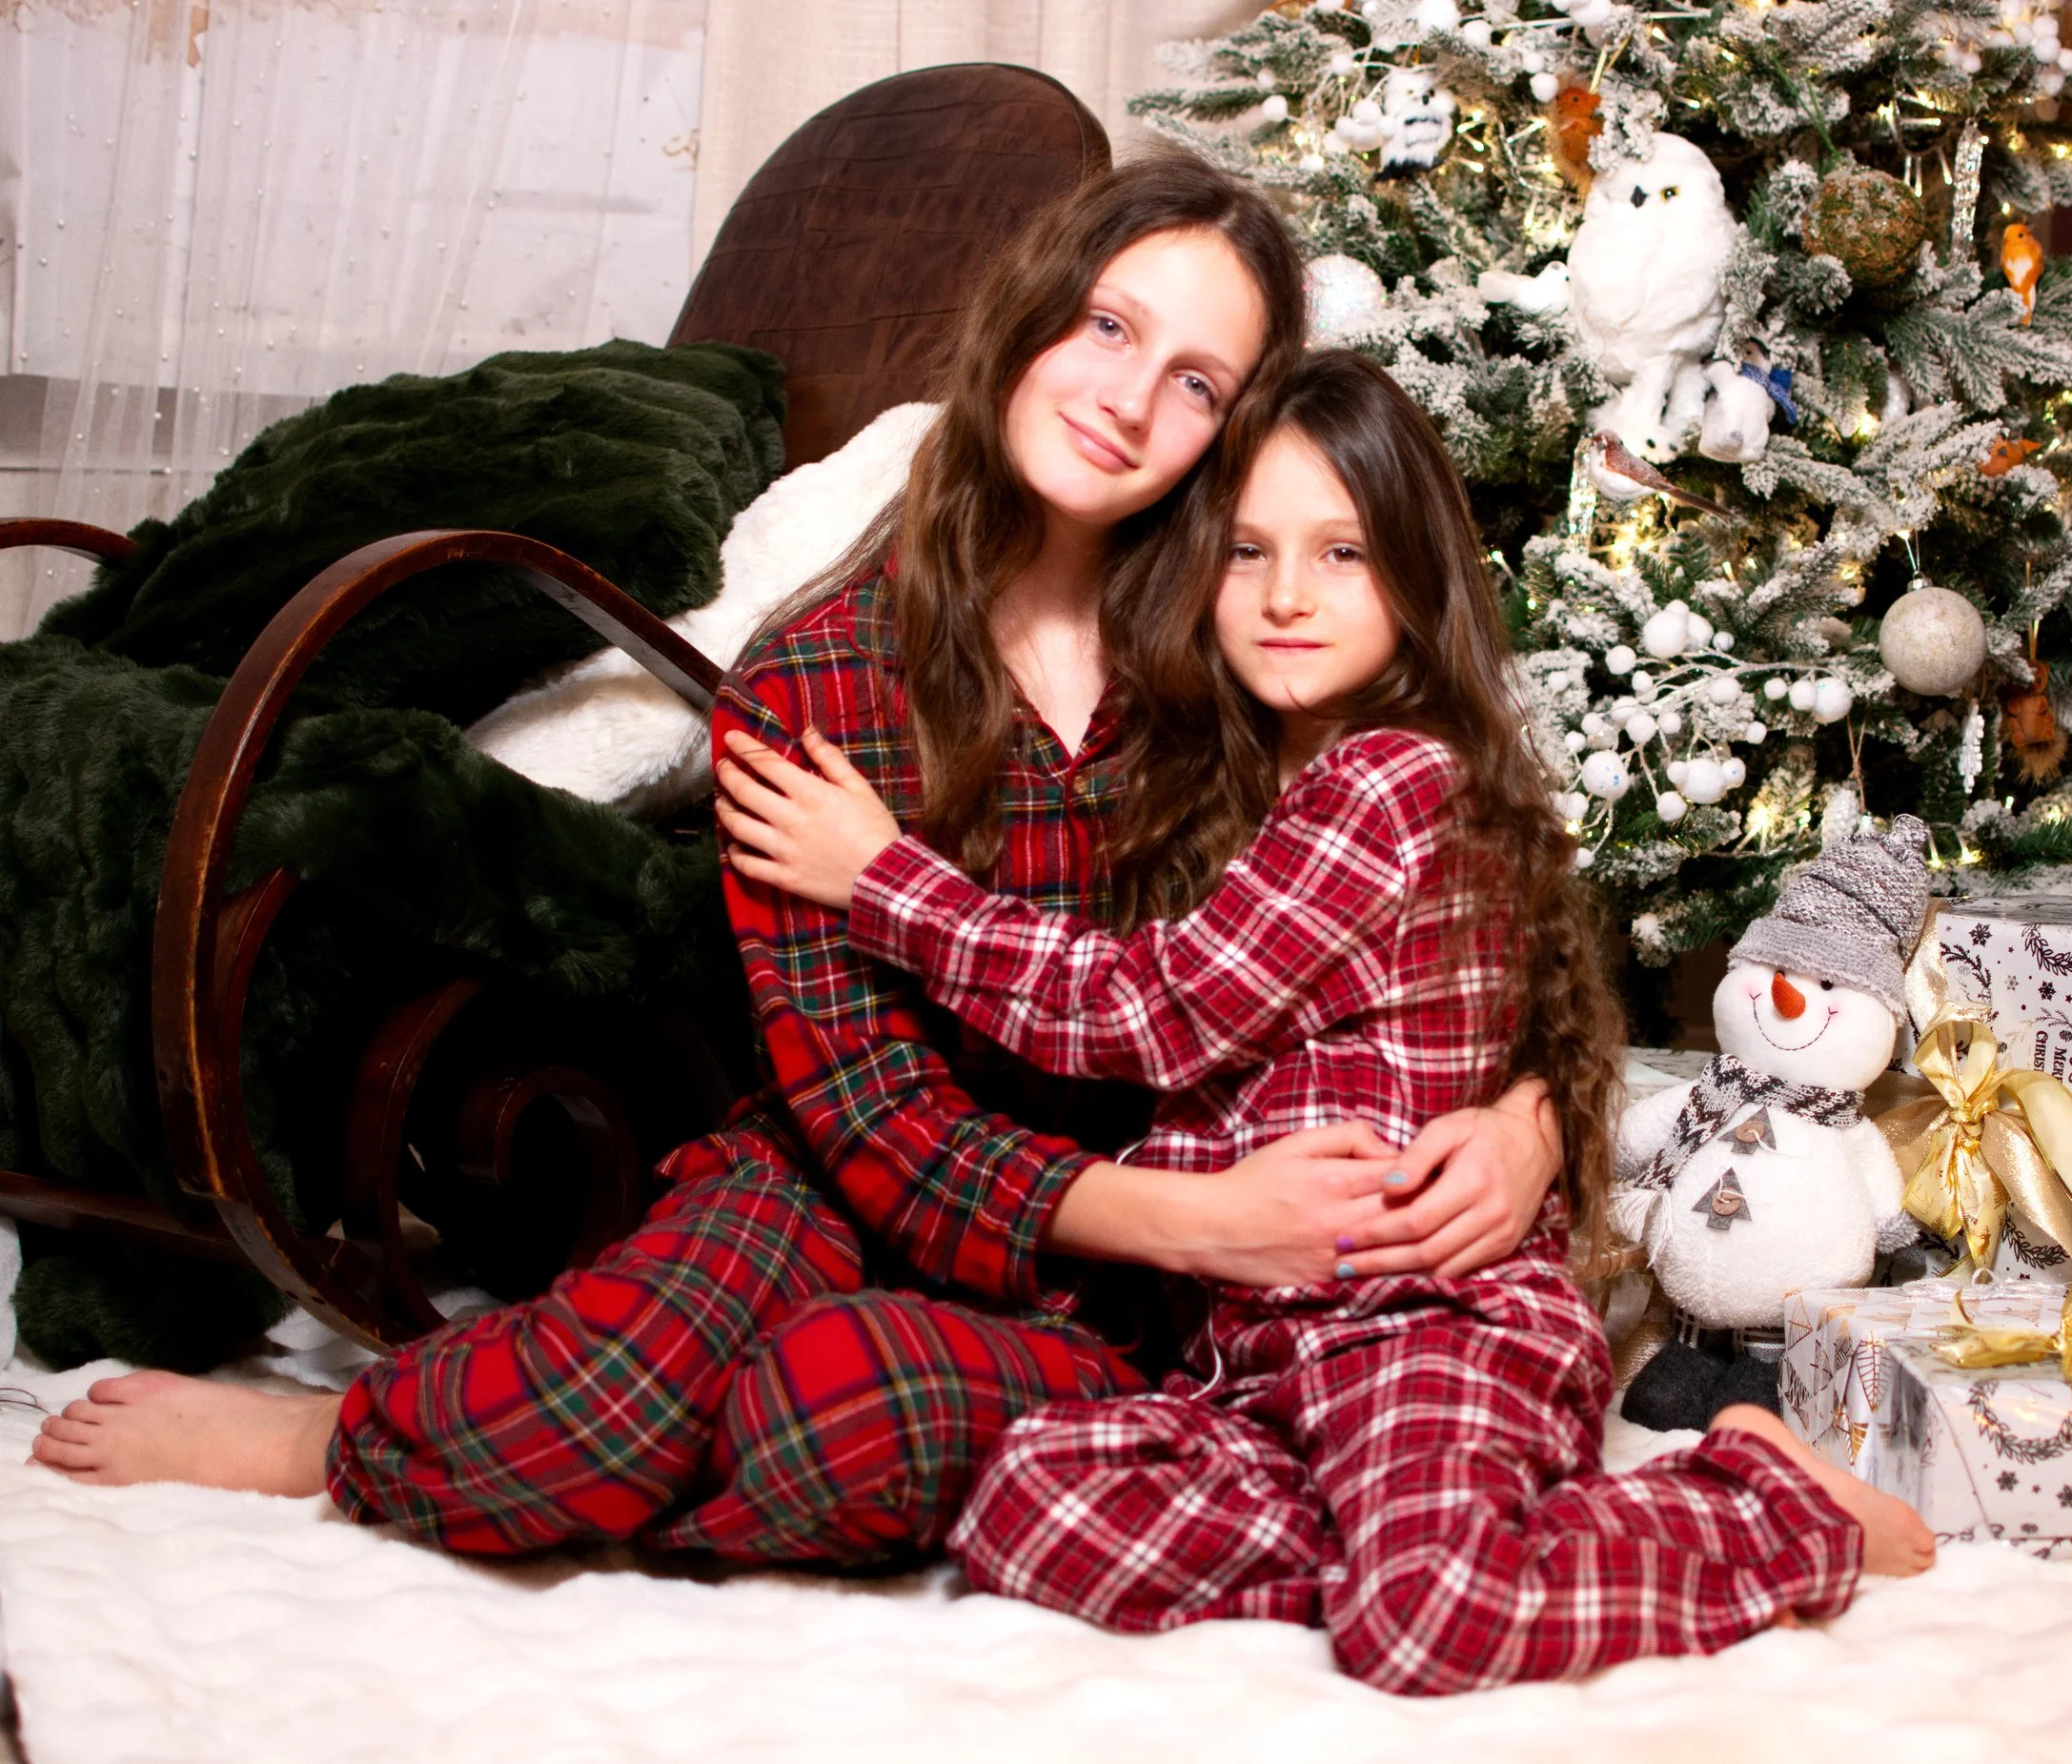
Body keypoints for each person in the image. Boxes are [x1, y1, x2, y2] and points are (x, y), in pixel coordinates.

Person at [30, 151, 1565, 1568]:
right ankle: (342, 1429)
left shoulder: (1249, 646)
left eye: (1193, 381)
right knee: (599, 1411)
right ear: (1031, 311)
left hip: (1130, 1270)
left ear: (1227, 437)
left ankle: (655, 1435)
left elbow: (1465, 907)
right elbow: (867, 1105)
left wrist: (1524, 1114)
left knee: (826, 1439)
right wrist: (1184, 1213)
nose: (1124, 398)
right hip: (853, 1171)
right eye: (1106, 325)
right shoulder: (818, 679)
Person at [722, 348, 1934, 1695]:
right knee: (1032, 1507)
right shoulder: (1236, 793)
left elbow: (1153, 1012)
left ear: (1416, 578)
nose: (1287, 595)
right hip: (1257, 1348)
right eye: (1247, 552)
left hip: (1426, 1317)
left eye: (1341, 553)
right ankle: (1399, 1538)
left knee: (1428, 1626)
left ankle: (1760, 1505)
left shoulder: (1390, 780)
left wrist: (884, 880)